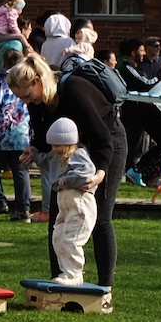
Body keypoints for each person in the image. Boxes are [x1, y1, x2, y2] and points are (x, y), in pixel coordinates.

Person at [9, 53, 126, 304]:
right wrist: (34, 149)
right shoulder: (37, 102)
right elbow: (43, 133)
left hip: (106, 144)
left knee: (100, 217)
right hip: (69, 153)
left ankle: (105, 289)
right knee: (58, 215)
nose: (25, 101)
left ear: (39, 81)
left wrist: (100, 173)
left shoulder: (73, 89)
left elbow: (101, 136)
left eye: (26, 95)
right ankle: (61, 279)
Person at [31, 117, 97, 287]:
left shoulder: (78, 155)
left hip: (80, 204)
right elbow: (46, 161)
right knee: (58, 237)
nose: (55, 149)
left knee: (71, 239)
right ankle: (66, 272)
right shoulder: (55, 156)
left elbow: (88, 171)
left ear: (69, 143)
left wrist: (66, 180)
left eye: (58, 145)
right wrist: (34, 155)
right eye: (53, 145)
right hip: (65, 206)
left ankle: (74, 274)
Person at [0, 47, 31, 221]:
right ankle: (23, 210)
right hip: (21, 134)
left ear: (4, 63)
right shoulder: (27, 81)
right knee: (21, 171)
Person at [118, 38, 161, 185]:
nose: (144, 53)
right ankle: (128, 173)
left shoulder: (138, 69)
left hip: (139, 113)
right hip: (132, 114)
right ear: (133, 53)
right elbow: (146, 84)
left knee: (140, 146)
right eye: (141, 50)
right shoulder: (128, 69)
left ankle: (134, 173)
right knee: (133, 146)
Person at [0, 0, 31, 71]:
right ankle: (29, 48)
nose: (21, 12)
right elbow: (13, 25)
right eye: (21, 9)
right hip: (0, 35)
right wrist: (18, 33)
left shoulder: (2, 11)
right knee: (20, 37)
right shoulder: (11, 12)